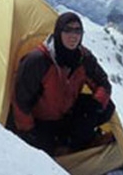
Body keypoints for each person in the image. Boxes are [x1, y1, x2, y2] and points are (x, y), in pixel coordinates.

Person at [7, 12, 115, 156]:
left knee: (106, 106)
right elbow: (21, 100)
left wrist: (95, 106)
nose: (73, 35)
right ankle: (68, 145)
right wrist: (28, 132)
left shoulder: (83, 58)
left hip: (66, 116)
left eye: (78, 31)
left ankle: (73, 142)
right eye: (68, 30)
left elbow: (103, 83)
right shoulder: (38, 60)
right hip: (41, 121)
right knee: (43, 151)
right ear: (58, 32)